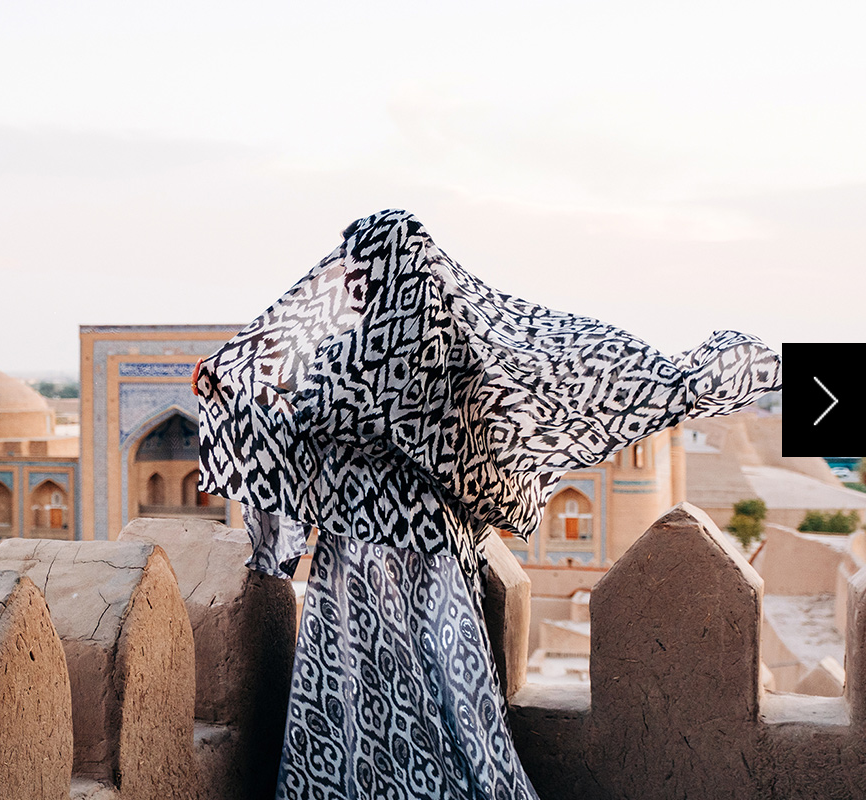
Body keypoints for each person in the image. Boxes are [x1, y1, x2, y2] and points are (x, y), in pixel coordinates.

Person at [194, 209, 781, 800]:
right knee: (454, 706)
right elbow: (566, 372)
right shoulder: (460, 351)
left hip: (365, 563)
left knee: (369, 705)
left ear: (378, 269)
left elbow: (300, 426)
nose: (348, 280)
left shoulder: (361, 357)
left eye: (357, 266)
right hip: (441, 561)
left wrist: (224, 392)